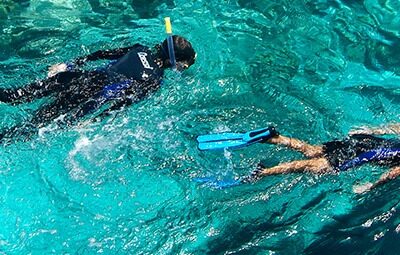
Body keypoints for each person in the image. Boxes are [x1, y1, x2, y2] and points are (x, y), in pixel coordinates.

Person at [0, 35, 196, 143]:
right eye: (182, 66)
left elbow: (102, 54)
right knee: (30, 128)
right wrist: (92, 121)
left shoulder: (139, 48)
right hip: (83, 98)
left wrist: (68, 64)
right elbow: (122, 104)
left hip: (73, 77)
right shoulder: (155, 80)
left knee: (14, 96)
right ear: (173, 61)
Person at [251, 124, 400, 193]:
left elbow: (396, 127)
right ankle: (263, 172)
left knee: (311, 150)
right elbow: (393, 173)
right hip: (361, 155)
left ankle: (273, 138)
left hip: (364, 140)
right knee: (313, 166)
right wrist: (371, 186)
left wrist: (372, 130)